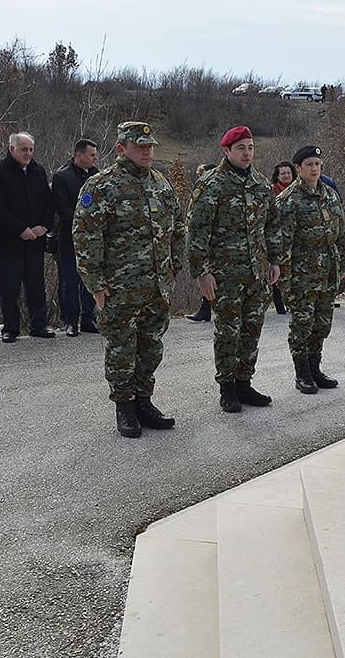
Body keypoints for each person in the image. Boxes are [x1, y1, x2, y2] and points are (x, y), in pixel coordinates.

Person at [74, 121, 187, 439]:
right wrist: (96, 283)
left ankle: (144, 402)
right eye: (140, 147)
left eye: (150, 146)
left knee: (151, 347)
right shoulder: (100, 186)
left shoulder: (161, 184)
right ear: (122, 148)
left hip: (157, 287)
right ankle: (124, 406)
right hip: (119, 288)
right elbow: (85, 236)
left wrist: (173, 268)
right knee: (122, 349)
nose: (147, 152)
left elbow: (178, 227)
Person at [187, 126, 284, 412]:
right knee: (228, 332)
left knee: (252, 329)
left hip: (256, 272)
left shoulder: (261, 184)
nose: (247, 153)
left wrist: (275, 260)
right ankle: (227, 388)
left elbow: (271, 225)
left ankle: (244, 383)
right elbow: (197, 230)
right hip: (224, 275)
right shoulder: (211, 184)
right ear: (227, 151)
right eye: (241, 148)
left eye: (250, 147)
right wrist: (202, 271)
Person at [278, 145, 345, 394]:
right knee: (302, 325)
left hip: (327, 272)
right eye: (309, 164)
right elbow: (282, 244)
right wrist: (285, 280)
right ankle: (302, 374)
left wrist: (344, 263)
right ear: (298, 168)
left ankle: (315, 368)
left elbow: (341, 232)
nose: (314, 169)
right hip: (302, 277)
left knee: (322, 324)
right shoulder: (288, 200)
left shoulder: (329, 194)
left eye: (317, 164)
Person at [0, 132, 55, 342]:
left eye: (31, 149)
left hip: (35, 240)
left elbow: (48, 202)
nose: (28, 153)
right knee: (9, 288)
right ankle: (10, 328)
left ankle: (39, 324)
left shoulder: (38, 170)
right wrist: (21, 229)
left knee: (36, 286)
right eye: (24, 149)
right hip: (9, 241)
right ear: (12, 149)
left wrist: (44, 226)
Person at [52, 139, 100, 336]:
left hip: (93, 239)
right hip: (69, 238)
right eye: (92, 155)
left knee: (91, 280)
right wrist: (82, 225)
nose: (95, 158)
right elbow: (62, 208)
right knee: (70, 280)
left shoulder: (97, 176)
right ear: (79, 155)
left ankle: (88, 318)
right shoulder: (62, 177)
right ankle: (71, 321)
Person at [185, 163, 218, 322]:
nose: (199, 176)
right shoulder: (201, 191)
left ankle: (208, 310)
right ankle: (205, 310)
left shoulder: (214, 190)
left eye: (201, 173)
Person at [268, 160, 296, 315]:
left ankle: (292, 301)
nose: (286, 176)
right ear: (277, 176)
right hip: (278, 238)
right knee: (278, 269)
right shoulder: (272, 191)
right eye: (283, 173)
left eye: (289, 173)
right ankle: (279, 303)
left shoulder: (297, 190)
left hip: (294, 238)